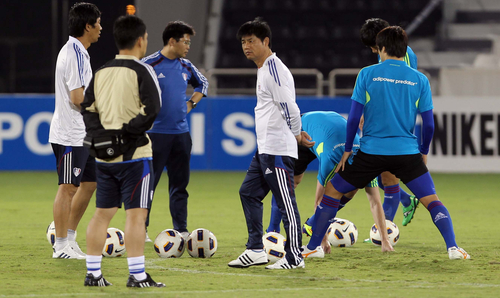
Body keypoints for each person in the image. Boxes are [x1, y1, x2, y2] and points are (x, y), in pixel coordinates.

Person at [326, 26, 470, 260]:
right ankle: (452, 246)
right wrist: (424, 151)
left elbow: (368, 108)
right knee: (430, 199)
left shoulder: (373, 70)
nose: (374, 51)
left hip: (377, 143)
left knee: (339, 189)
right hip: (407, 147)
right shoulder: (416, 73)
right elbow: (427, 120)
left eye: (374, 47)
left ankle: (315, 238)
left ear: (381, 44)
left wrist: (353, 142)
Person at [81, 15, 165, 287]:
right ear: (141, 41)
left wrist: (101, 138)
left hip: (104, 159)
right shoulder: (142, 70)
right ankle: (137, 275)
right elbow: (152, 109)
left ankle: (93, 273)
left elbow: (87, 109)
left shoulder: (101, 71)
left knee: (102, 214)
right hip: (135, 157)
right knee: (136, 215)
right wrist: (126, 135)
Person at [228, 17, 314, 270]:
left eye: (251, 41)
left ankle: (295, 257)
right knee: (248, 193)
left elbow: (290, 107)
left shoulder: (273, 69)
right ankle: (255, 249)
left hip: (277, 150)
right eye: (243, 42)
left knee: (287, 204)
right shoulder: (263, 68)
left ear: (266, 42)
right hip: (264, 149)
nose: (246, 46)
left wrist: (297, 135)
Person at [266, 111, 394, 257]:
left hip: (328, 130)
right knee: (292, 181)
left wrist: (385, 240)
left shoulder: (366, 164)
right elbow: (319, 201)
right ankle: (272, 231)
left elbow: (375, 203)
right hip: (303, 130)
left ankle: (311, 223)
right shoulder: (330, 161)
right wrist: (322, 239)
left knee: (351, 190)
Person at [142, 21, 208, 241]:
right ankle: (141, 229)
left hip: (181, 135)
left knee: (180, 186)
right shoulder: (149, 64)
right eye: (185, 42)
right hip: (154, 135)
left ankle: (181, 229)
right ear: (172, 41)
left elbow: (203, 84)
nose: (188, 46)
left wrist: (191, 104)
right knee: (147, 184)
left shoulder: (186, 66)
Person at [48, 2, 101, 259]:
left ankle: (68, 238)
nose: (100, 28)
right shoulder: (75, 53)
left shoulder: (78, 51)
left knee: (89, 183)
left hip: (82, 133)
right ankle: (60, 245)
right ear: (87, 26)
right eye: (98, 23)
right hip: (71, 133)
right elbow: (77, 98)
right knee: (68, 187)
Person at [360, 18, 419, 227]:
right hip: (387, 122)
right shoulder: (391, 54)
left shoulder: (401, 57)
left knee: (386, 176)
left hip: (395, 123)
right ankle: (405, 200)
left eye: (374, 47)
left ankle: (385, 231)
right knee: (376, 173)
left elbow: (400, 90)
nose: (374, 51)